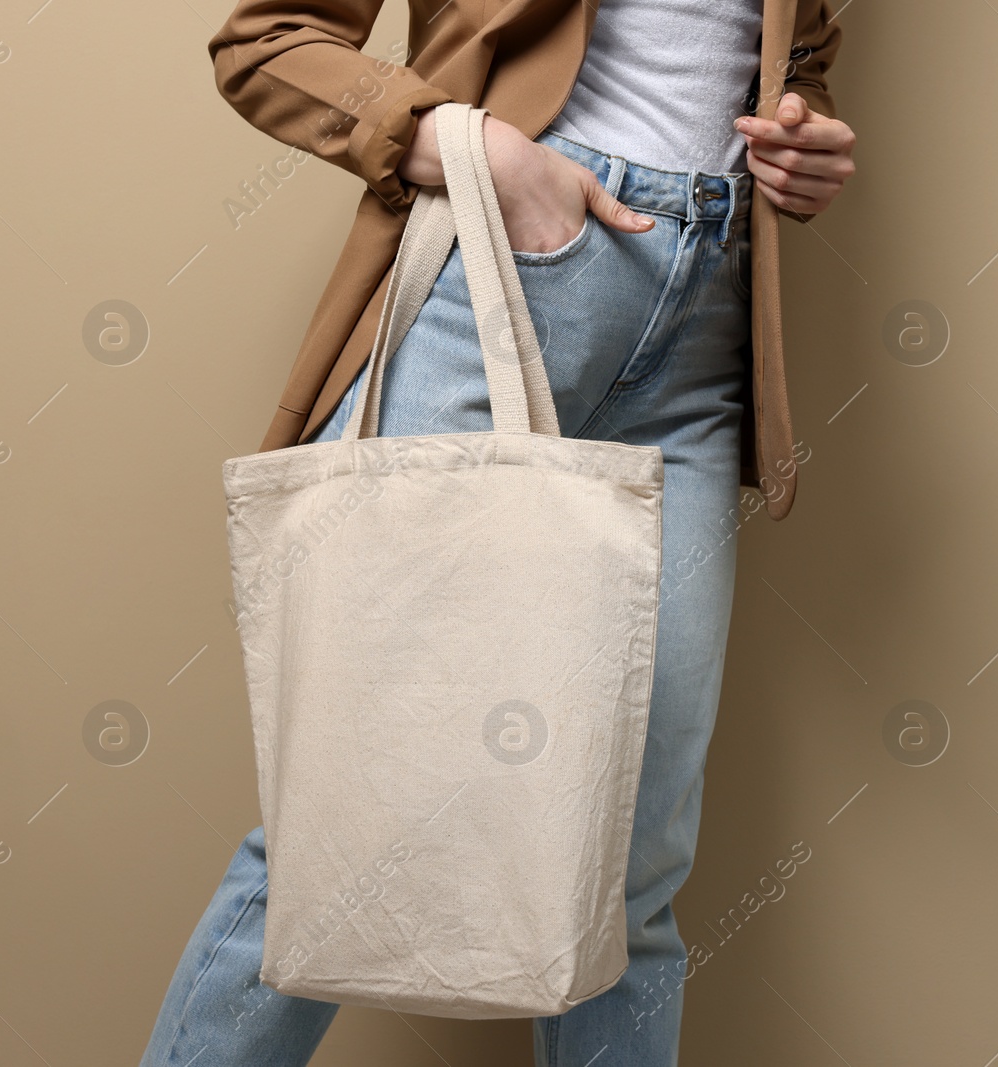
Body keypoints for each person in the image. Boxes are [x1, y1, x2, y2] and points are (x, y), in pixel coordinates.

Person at [140, 1, 854, 1064]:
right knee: (348, 826)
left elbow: (784, 51)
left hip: (705, 325)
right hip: (498, 270)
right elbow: (267, 41)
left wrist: (802, 136)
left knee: (628, 862)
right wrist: (465, 143)